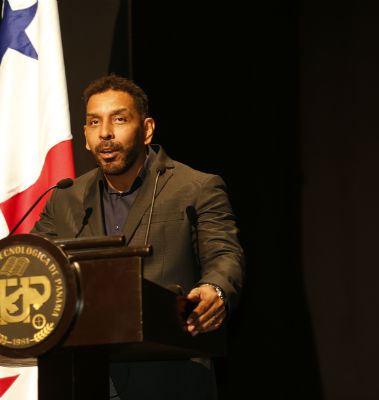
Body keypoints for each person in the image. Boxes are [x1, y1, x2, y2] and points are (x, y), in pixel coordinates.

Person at [32, 74, 244, 400]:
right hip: (83, 378)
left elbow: (224, 254)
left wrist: (215, 288)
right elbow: (34, 260)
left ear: (146, 129)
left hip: (170, 376)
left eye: (119, 119)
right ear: (86, 136)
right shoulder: (65, 198)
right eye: (93, 122)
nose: (105, 132)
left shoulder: (195, 187)